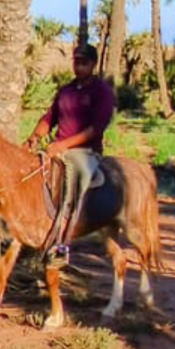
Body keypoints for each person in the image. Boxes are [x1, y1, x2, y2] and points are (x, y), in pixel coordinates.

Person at [25, 42, 116, 264]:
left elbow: (95, 129)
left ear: (93, 64)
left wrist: (63, 145)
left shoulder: (102, 92)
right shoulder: (65, 91)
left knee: (72, 186)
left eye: (84, 62)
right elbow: (49, 118)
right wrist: (34, 137)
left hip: (85, 152)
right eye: (76, 62)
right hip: (58, 149)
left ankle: (63, 243)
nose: (79, 67)